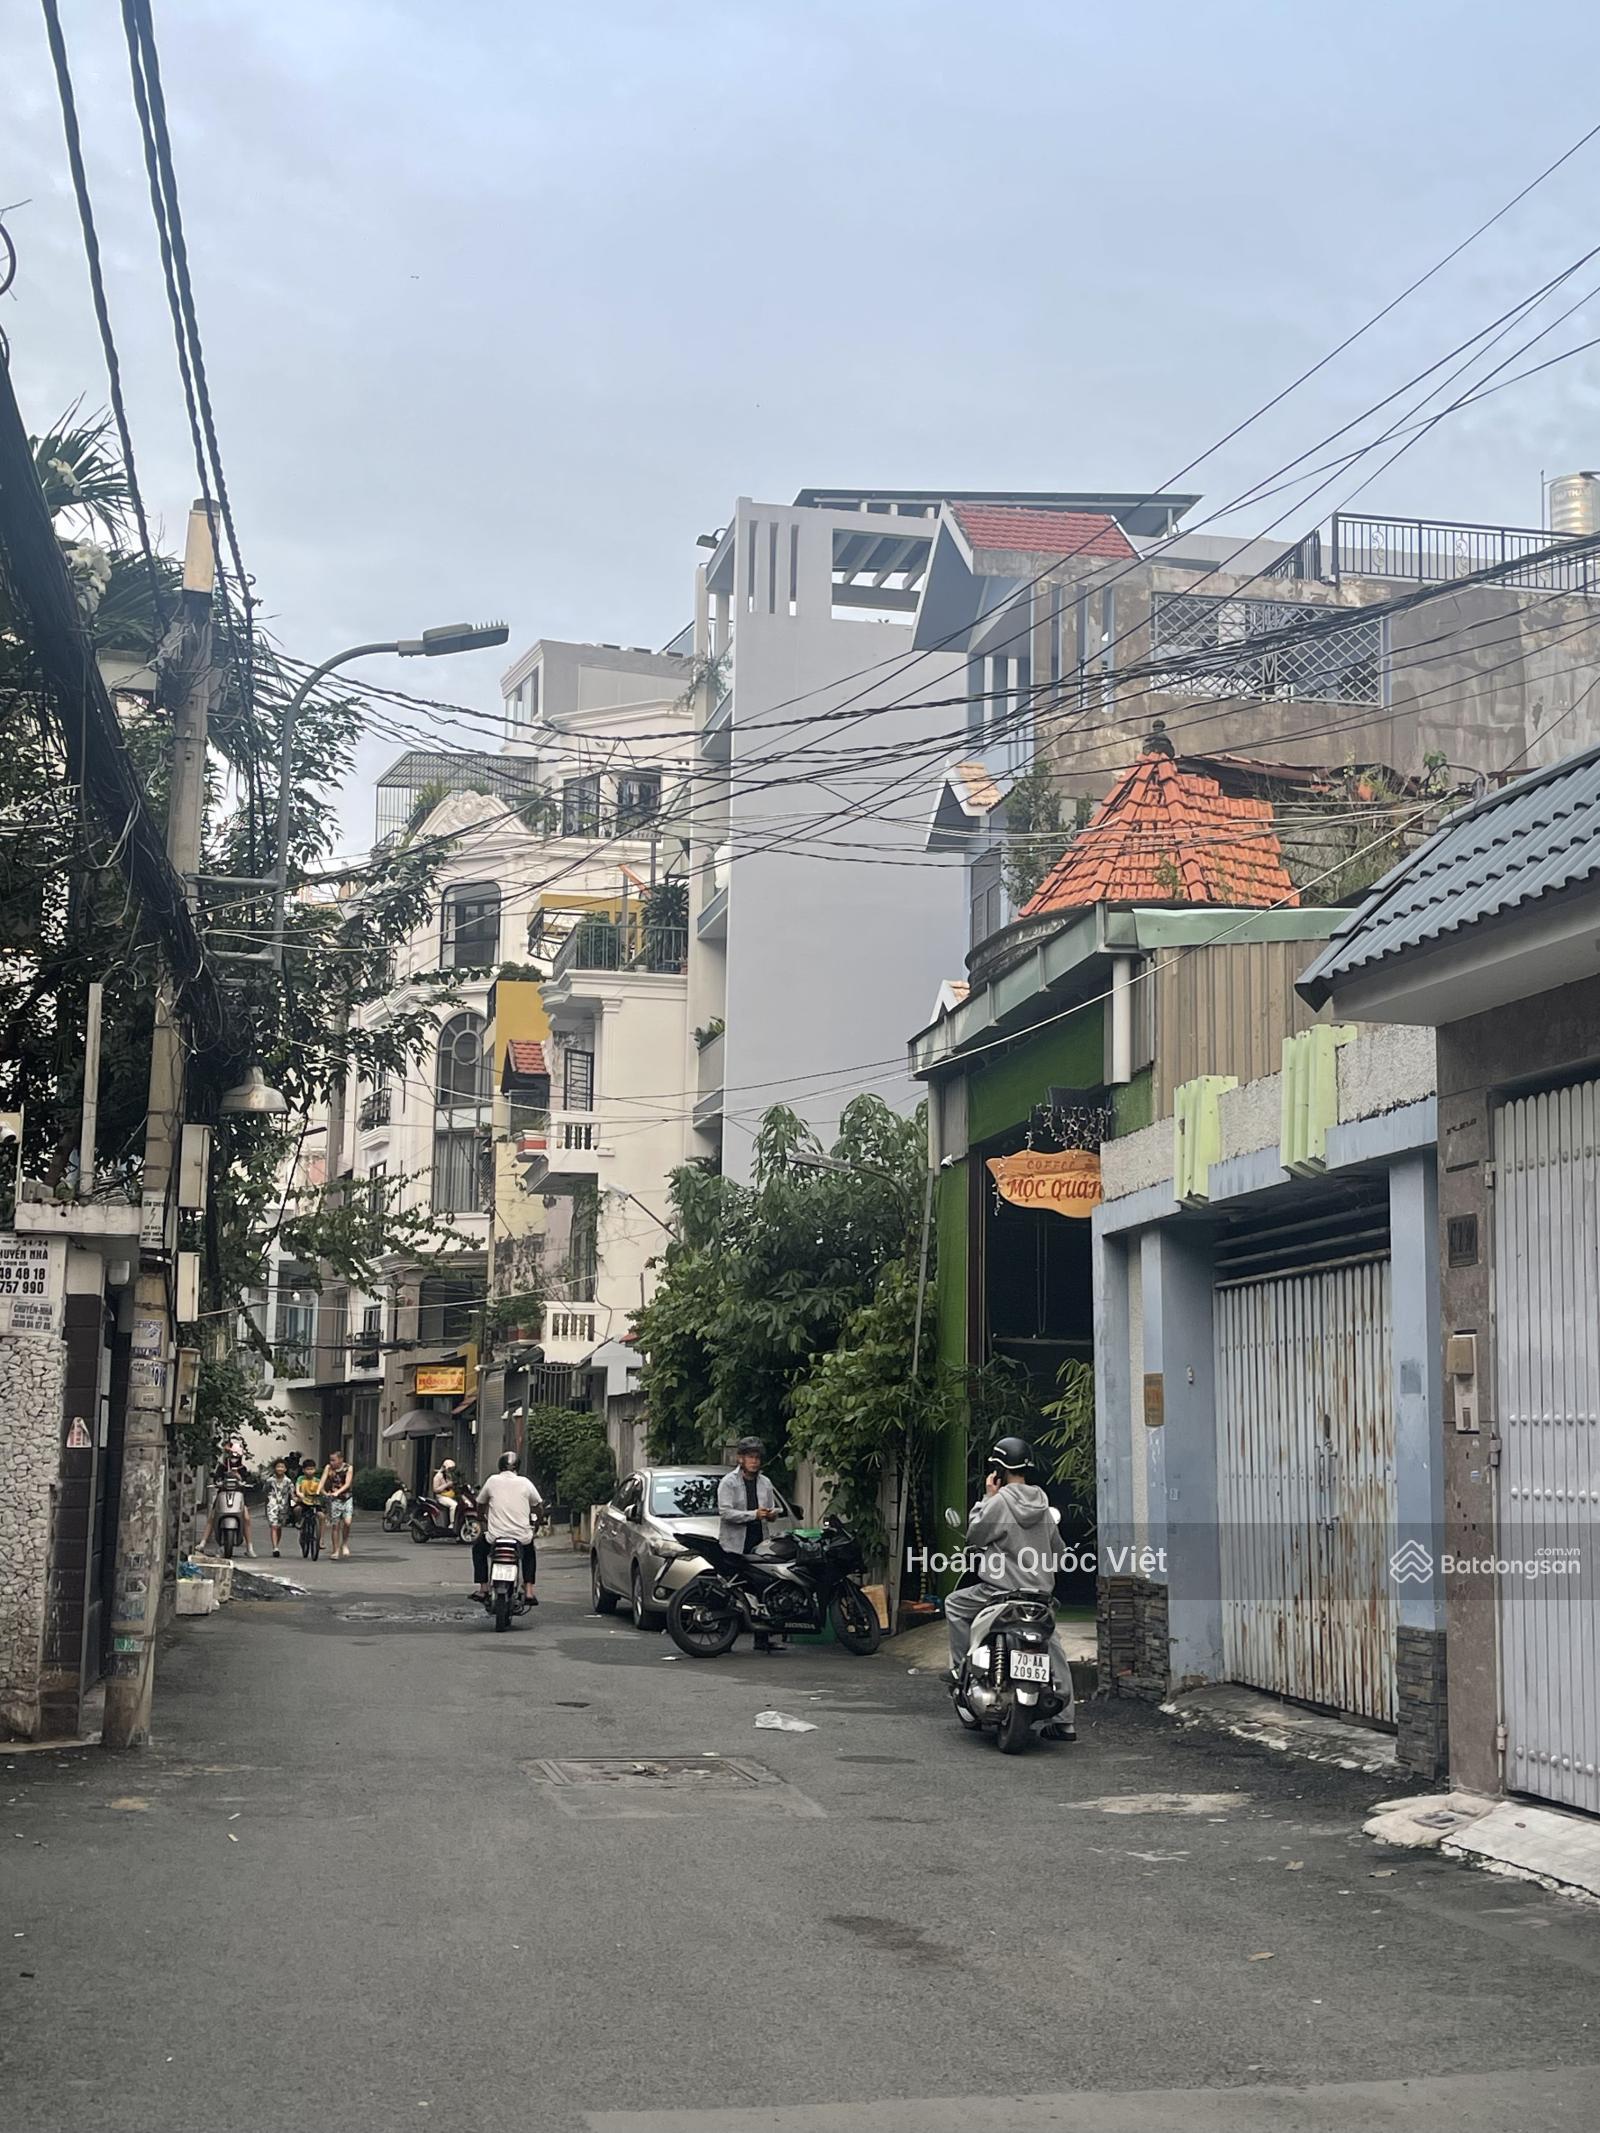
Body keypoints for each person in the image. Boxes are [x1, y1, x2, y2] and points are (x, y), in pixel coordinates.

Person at [944, 1435, 1075, 1740]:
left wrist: (987, 1498)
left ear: (999, 1470)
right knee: (1052, 1643)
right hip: (1039, 1598)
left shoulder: (1000, 1501)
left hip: (999, 1593)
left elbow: (975, 1535)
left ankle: (960, 1673)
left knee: (954, 1604)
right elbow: (1058, 1551)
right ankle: (1066, 1721)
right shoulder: (1042, 1503)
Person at [717, 1437, 784, 1651]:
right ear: (741, 1459)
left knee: (761, 1586)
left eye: (757, 1458)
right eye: (750, 1457)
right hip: (734, 1544)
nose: (754, 1461)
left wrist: (771, 1514)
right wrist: (753, 1514)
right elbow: (726, 1512)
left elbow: (773, 1509)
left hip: (759, 1542)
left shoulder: (765, 1483)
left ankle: (762, 1638)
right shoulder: (729, 1482)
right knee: (730, 1589)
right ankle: (723, 1639)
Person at [471, 1450, 543, 1606]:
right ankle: (529, 1590)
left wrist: (481, 1517)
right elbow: (538, 1505)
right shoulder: (525, 1482)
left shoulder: (492, 1481)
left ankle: (483, 1588)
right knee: (529, 1553)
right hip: (521, 1537)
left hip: (495, 1536)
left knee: (478, 1549)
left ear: (500, 1465)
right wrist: (537, 1523)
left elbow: (480, 1504)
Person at [202, 1440, 255, 1556]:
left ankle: (249, 1547)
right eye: (232, 1456)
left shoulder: (243, 1468)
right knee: (212, 1516)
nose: (234, 1459)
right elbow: (217, 1478)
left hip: (239, 1496)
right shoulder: (222, 1466)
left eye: (236, 1456)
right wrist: (218, 1482)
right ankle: (203, 1543)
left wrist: (239, 1477)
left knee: (246, 1518)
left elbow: (247, 1480)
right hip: (223, 1494)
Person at [320, 1449, 355, 1561]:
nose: (331, 1462)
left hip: (346, 1498)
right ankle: (335, 1550)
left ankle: (344, 1544)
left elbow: (347, 1483)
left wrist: (338, 1492)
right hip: (334, 1499)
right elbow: (322, 1481)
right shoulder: (328, 1468)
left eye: (333, 1460)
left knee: (347, 1522)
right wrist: (321, 1491)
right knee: (335, 1525)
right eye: (330, 1460)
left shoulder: (348, 1468)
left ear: (340, 1460)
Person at [264, 1459, 295, 1558]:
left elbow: (292, 1493)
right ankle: (275, 1548)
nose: (280, 1469)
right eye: (278, 1467)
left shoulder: (288, 1481)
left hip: (283, 1506)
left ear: (285, 1469)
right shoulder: (270, 1481)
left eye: (282, 1467)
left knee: (279, 1526)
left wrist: (295, 1500)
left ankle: (277, 1544)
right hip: (272, 1505)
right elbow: (265, 1490)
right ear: (275, 1468)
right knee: (274, 1525)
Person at [432, 1457, 462, 1532]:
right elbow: (435, 1489)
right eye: (449, 1469)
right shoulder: (438, 1476)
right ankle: (452, 1524)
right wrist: (447, 1485)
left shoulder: (448, 1475)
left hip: (450, 1495)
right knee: (454, 1505)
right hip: (441, 1496)